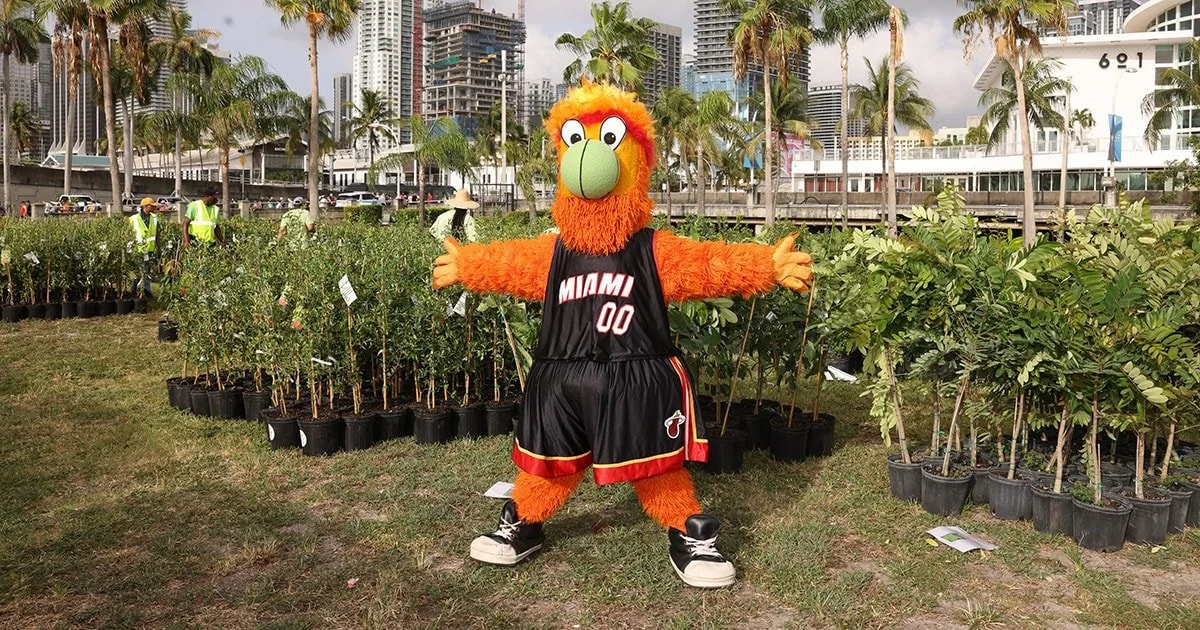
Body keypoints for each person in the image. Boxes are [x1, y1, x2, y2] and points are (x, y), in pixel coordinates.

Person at [129, 198, 159, 297]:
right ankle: (134, 291)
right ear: (146, 206)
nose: (154, 207)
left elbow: (158, 233)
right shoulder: (134, 219)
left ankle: (145, 291)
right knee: (140, 271)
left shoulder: (154, 218)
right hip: (139, 249)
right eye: (152, 205)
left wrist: (158, 247)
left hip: (150, 249)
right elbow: (128, 234)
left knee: (147, 270)